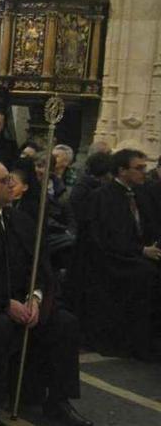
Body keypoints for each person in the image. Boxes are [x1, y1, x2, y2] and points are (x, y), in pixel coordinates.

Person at [0, 161, 91, 426]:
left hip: (25, 301)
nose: (11, 184)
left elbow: (38, 265)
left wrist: (35, 297)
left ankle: (57, 401)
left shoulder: (19, 220)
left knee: (64, 323)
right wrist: (6, 304)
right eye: (5, 181)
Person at [84, 149, 161, 360]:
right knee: (146, 275)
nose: (144, 173)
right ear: (122, 170)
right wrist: (141, 250)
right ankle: (137, 342)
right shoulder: (103, 197)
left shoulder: (140, 193)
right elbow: (108, 237)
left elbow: (149, 226)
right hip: (113, 259)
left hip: (137, 253)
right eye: (138, 168)